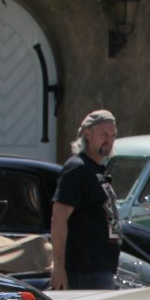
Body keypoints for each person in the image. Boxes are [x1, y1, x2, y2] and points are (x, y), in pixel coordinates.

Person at [50, 109, 122, 290]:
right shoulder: (77, 169)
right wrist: (59, 268)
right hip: (83, 272)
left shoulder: (97, 170)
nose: (109, 140)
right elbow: (58, 219)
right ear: (88, 134)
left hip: (102, 269)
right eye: (104, 134)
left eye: (113, 135)